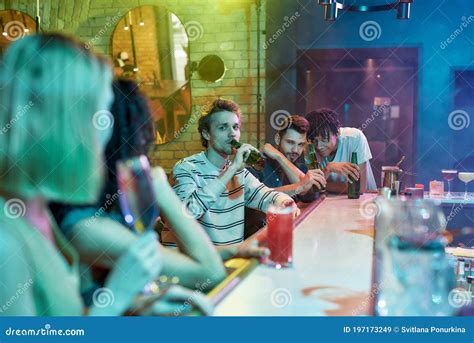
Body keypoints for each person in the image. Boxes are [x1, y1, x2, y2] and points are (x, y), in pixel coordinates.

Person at [0, 33, 163, 316]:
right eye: (100, 113)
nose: (107, 129)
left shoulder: (36, 210)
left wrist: (132, 306)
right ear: (61, 122)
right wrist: (115, 296)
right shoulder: (6, 241)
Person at [49, 79, 227, 301]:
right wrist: (162, 189)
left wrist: (228, 252)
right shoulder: (84, 226)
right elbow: (210, 274)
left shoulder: (87, 205)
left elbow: (148, 259)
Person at [170, 98, 297, 248]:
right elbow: (189, 212)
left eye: (235, 127)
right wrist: (231, 170)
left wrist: (285, 202)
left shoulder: (238, 172)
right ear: (206, 134)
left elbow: (267, 196)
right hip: (193, 266)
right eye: (223, 128)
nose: (232, 134)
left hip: (231, 263)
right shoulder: (186, 168)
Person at [249, 114, 326, 201]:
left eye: (300, 144)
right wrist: (298, 187)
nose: (295, 150)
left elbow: (311, 196)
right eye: (290, 142)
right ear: (278, 139)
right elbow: (253, 197)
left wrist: (280, 157)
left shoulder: (301, 168)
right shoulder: (257, 166)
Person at [305, 108, 377, 193]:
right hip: (330, 201)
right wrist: (328, 169)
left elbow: (359, 189)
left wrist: (323, 186)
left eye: (324, 139)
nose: (319, 146)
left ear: (337, 133)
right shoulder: (310, 147)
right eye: (314, 141)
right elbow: (312, 188)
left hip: (364, 200)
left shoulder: (355, 138)